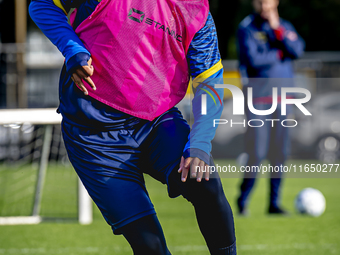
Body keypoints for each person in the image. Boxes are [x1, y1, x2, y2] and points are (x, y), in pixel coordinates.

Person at [29, 0, 237, 254]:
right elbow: (41, 4)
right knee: (150, 246)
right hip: (93, 139)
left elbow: (209, 85)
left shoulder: (198, 14)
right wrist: (73, 49)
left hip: (157, 123)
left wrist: (201, 144)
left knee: (205, 182)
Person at [236, 0, 305, 215]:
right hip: (258, 101)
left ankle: (274, 204)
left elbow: (297, 50)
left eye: (267, 1)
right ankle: (243, 200)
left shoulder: (284, 26)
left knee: (280, 154)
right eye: (259, 2)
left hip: (283, 101)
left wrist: (278, 31)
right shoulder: (247, 28)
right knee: (256, 153)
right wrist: (279, 54)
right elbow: (253, 59)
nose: (264, 5)